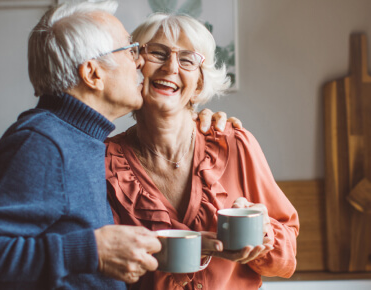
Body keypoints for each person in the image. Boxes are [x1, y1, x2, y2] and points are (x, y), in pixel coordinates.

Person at [0, 1, 233, 289]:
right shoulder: (42, 144)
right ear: (93, 74)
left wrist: (147, 245)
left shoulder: (81, 138)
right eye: (129, 50)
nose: (140, 62)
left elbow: (69, 236)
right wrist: (93, 251)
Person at [105, 12, 299, 290]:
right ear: (136, 67)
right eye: (158, 53)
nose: (171, 67)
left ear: (198, 84)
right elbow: (101, 265)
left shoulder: (235, 143)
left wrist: (264, 234)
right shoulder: (105, 162)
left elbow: (288, 252)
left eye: (187, 59)